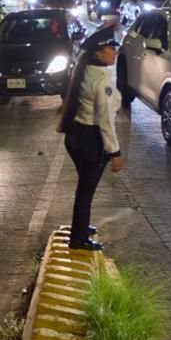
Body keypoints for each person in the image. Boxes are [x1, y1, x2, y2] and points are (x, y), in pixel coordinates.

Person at [57, 27, 124, 251]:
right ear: (98, 53)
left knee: (84, 187)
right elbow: (105, 121)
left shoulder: (84, 71)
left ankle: (81, 228)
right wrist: (115, 153)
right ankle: (78, 238)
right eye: (110, 49)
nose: (114, 53)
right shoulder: (102, 82)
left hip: (74, 136)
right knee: (86, 191)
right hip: (90, 140)